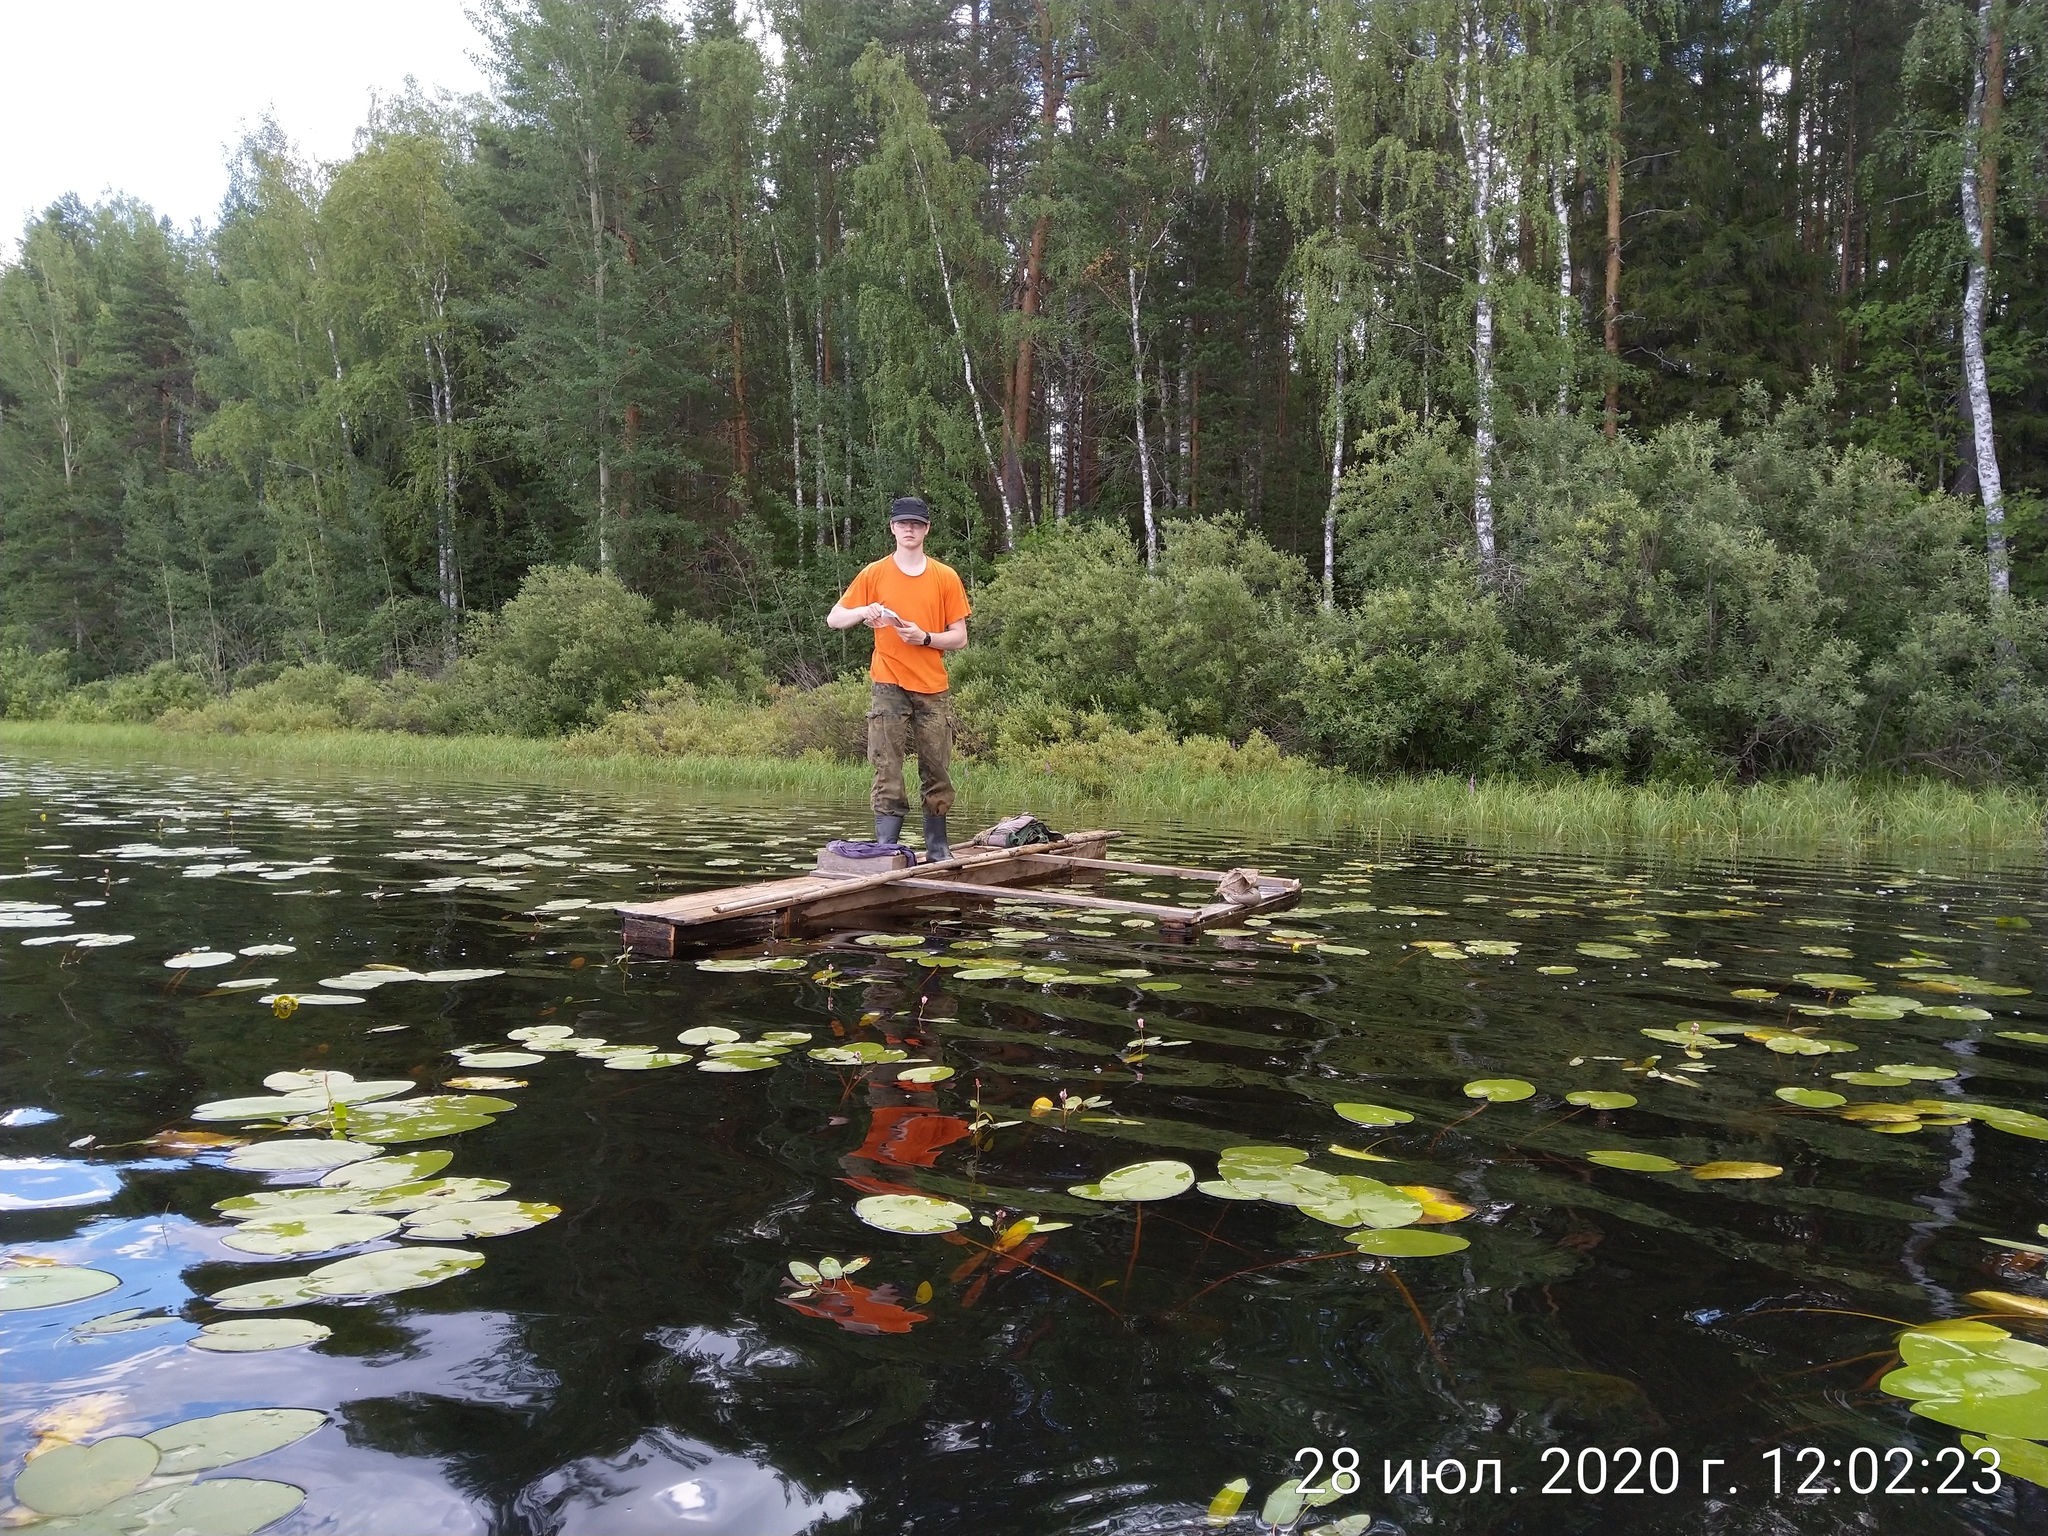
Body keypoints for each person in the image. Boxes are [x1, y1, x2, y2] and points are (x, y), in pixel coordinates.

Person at [825, 496, 971, 862]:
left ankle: (937, 848)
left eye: (917, 524)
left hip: (933, 685)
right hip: (887, 683)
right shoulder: (874, 573)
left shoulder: (945, 576)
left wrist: (924, 637)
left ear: (926, 529)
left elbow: (960, 637)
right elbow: (834, 618)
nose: (910, 529)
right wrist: (863, 611)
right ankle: (887, 850)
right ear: (892, 528)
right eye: (903, 523)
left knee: (936, 765)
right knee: (886, 763)